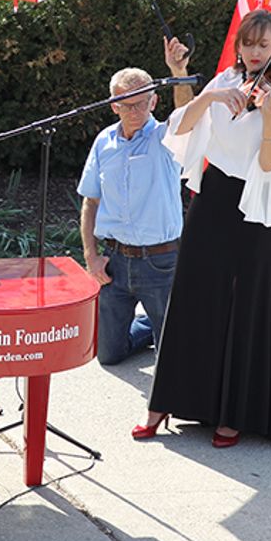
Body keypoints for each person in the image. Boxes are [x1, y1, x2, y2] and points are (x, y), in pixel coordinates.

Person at [133, 9, 271, 447]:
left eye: (263, 46)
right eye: (247, 44)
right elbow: (182, 126)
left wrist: (269, 124)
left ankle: (236, 411)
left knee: (246, 300)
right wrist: (200, 91)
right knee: (193, 292)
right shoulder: (226, 81)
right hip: (214, 195)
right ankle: (163, 402)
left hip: (257, 204)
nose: (253, 53)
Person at [77, 67, 184, 365]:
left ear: (154, 102)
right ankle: (157, 327)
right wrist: (91, 257)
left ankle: (173, 329)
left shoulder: (167, 138)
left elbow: (186, 115)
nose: (135, 110)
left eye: (142, 102)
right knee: (108, 355)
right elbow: (90, 202)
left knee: (171, 363)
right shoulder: (103, 142)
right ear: (114, 105)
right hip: (116, 262)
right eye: (127, 104)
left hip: (160, 263)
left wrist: (179, 71)